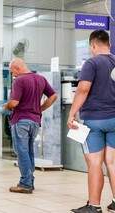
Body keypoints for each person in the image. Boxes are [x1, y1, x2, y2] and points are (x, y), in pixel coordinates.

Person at [68, 30, 115, 213]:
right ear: (109, 44)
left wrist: (72, 114)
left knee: (95, 162)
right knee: (112, 162)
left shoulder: (92, 62)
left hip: (94, 120)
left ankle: (94, 206)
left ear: (93, 45)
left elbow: (83, 90)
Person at [3, 58, 57, 194]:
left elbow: (14, 103)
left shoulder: (19, 80)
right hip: (35, 121)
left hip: (21, 120)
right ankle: (30, 181)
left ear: (17, 68)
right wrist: (40, 109)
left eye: (12, 71)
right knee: (29, 151)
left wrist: (6, 105)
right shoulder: (40, 79)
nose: (12, 74)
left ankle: (25, 183)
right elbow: (53, 96)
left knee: (21, 152)